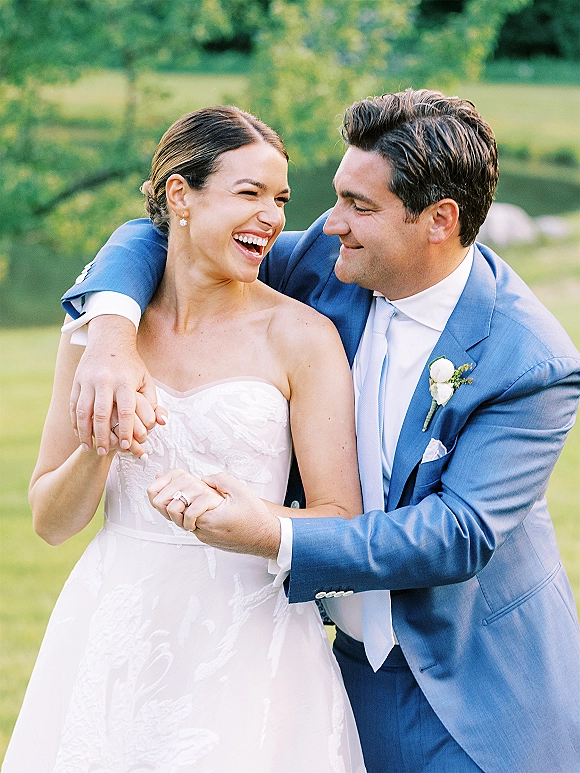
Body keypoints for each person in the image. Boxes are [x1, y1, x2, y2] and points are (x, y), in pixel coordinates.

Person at [58, 90, 579, 773]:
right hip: (339, 673)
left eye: (359, 206)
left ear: (439, 220)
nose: (329, 223)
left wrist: (273, 532)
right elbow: (157, 231)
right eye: (337, 195)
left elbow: (457, 534)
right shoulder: (324, 268)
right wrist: (112, 332)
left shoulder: (530, 359)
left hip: (476, 690)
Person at [2, 106, 368, 773]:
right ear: (181, 195)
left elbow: (340, 518)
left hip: (250, 639)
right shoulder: (102, 333)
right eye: (249, 193)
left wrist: (252, 518)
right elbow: (52, 521)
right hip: (115, 628)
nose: (273, 217)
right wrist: (101, 441)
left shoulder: (304, 338)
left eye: (280, 198)